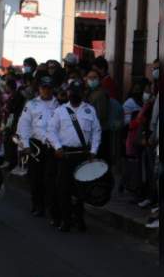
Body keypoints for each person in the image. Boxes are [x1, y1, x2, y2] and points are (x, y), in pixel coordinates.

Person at [47, 80, 102, 233]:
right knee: (63, 189)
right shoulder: (60, 111)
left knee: (81, 189)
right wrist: (57, 147)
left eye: (78, 92)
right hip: (65, 155)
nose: (74, 95)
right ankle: (65, 220)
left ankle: (79, 218)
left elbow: (97, 132)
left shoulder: (90, 110)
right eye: (72, 92)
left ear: (82, 93)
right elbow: (51, 130)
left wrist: (94, 150)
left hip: (83, 156)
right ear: (68, 93)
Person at [17, 75, 60, 219]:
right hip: (36, 145)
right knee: (35, 178)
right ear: (39, 89)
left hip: (53, 146)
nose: (46, 91)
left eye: (48, 88)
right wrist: (25, 144)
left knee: (50, 178)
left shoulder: (59, 105)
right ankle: (37, 205)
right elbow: (23, 125)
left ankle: (50, 206)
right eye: (43, 88)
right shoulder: (31, 104)